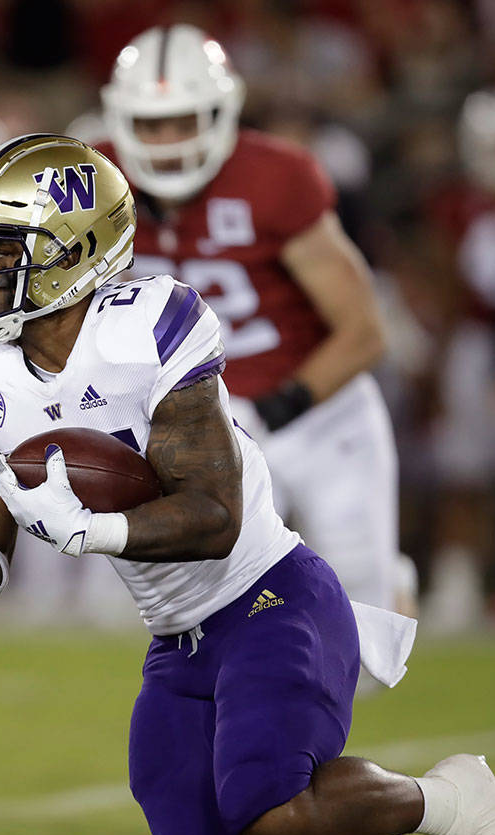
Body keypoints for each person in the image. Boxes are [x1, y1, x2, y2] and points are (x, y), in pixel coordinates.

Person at [0, 134, 495, 835]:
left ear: (73, 252)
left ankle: (453, 802)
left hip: (267, 597)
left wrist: (97, 531)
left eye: (5, 249)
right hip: (177, 641)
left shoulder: (150, 325)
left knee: (269, 806)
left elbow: (214, 511)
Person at [99, 24, 402, 613]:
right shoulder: (95, 183)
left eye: (185, 118)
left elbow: (365, 331)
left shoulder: (275, 178)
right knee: (217, 611)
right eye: (150, 123)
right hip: (196, 423)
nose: (167, 140)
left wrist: (275, 407)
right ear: (118, 119)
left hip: (313, 414)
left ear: (223, 110)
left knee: (363, 614)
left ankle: (388, 584)